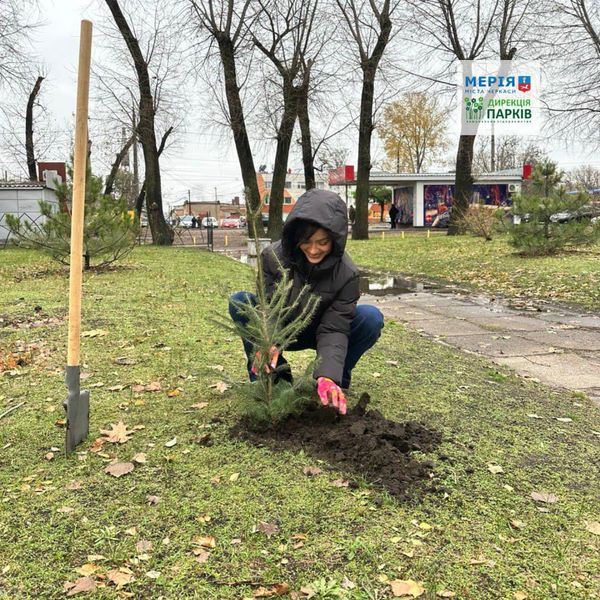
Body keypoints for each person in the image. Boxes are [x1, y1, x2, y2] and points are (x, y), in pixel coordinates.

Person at [229, 189, 384, 415]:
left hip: (320, 331)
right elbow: (267, 307)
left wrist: (328, 374)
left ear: (336, 239)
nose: (313, 250)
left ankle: (334, 380)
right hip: (283, 329)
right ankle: (275, 377)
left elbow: (335, 327)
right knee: (240, 301)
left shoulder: (347, 274)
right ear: (295, 236)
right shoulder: (272, 258)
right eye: (307, 241)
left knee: (370, 318)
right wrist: (268, 339)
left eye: (323, 242)